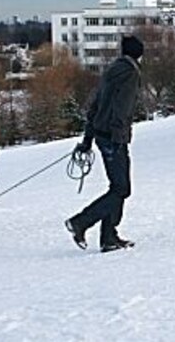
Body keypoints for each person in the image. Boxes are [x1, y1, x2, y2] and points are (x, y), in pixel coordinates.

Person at [66, 35, 144, 253]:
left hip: (101, 134)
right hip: (113, 137)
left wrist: (88, 138)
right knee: (121, 188)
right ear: (139, 54)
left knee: (117, 187)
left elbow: (95, 104)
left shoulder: (112, 70)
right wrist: (119, 136)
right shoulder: (131, 73)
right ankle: (80, 222)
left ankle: (109, 237)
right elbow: (122, 107)